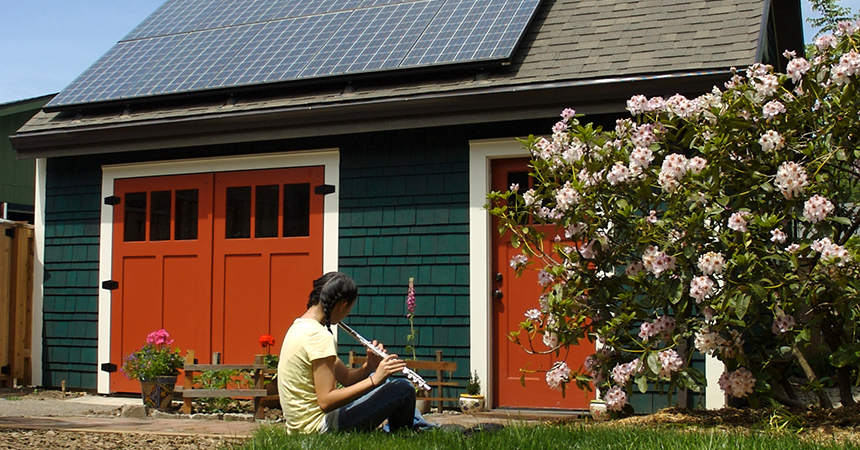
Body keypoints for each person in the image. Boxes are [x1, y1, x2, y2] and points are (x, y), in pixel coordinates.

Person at [277, 271, 430, 433]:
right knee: (403, 389)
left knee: (378, 379)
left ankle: (416, 426)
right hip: (318, 427)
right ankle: (403, 433)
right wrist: (375, 381)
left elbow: (347, 378)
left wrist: (369, 366)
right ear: (343, 305)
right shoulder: (319, 337)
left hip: (303, 425)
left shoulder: (299, 327)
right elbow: (326, 401)